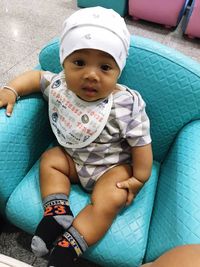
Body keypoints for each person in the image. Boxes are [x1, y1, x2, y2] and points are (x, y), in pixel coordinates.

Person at [0, 7, 153, 267]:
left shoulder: (126, 104)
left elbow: (142, 143)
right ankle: (56, 213)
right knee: (50, 160)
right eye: (79, 63)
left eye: (105, 67)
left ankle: (70, 244)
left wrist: (139, 177)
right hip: (73, 159)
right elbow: (36, 78)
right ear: (64, 62)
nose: (91, 74)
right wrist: (11, 89)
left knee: (111, 198)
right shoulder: (60, 86)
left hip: (111, 167)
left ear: (118, 71)